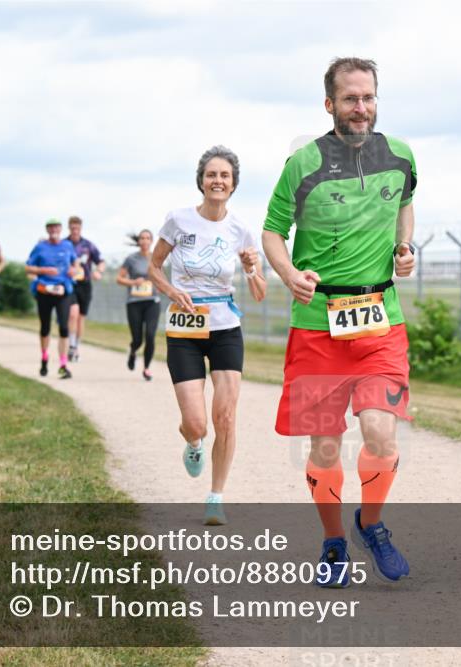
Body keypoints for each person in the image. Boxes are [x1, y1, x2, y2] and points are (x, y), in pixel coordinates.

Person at [261, 57, 417, 587]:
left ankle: (370, 524)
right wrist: (288, 274)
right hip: (316, 324)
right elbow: (272, 233)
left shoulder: (400, 156)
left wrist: (403, 245)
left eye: (369, 97)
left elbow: (406, 203)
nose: (361, 107)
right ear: (329, 104)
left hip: (379, 322)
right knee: (325, 447)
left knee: (379, 433)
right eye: (351, 98)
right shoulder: (301, 164)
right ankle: (333, 543)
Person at [148, 145, 267, 526]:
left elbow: (261, 291)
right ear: (201, 181)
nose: (218, 181)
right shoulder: (178, 220)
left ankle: (216, 496)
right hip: (184, 327)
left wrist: (251, 269)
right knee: (198, 423)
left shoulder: (240, 229)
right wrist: (171, 291)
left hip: (225, 328)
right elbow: (154, 267)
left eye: (225, 176)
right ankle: (194, 441)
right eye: (212, 175)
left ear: (233, 185)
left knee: (226, 416)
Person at [24, 219, 79, 379]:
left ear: (61, 229)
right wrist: (43, 269)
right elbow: (28, 267)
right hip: (44, 291)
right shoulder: (40, 247)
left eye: (56, 227)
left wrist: (74, 270)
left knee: (63, 327)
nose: (54, 229)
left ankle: (63, 365)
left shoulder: (67, 246)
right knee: (45, 327)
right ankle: (44, 358)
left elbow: (75, 264)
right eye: (51, 227)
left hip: (63, 291)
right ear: (47, 230)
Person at [117, 229, 161, 381]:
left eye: (148, 238)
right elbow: (119, 279)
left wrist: (160, 286)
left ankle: (147, 368)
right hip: (134, 302)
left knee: (150, 335)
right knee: (137, 339)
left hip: (152, 302)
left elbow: (161, 278)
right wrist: (133, 282)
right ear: (139, 241)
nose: (144, 241)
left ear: (151, 241)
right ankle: (133, 352)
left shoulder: (157, 258)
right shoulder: (131, 259)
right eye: (142, 238)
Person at [65, 215, 105, 362]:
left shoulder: (88, 245)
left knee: (81, 317)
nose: (75, 230)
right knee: (73, 314)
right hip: (70, 284)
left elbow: (100, 261)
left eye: (77, 228)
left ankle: (76, 346)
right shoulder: (64, 244)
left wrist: (98, 271)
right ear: (69, 228)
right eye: (72, 228)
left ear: (80, 228)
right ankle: (70, 344)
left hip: (85, 284)